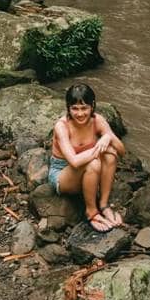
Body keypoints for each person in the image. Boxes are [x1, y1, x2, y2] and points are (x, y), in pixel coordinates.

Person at [48, 81, 125, 232]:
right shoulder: (61, 126)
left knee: (110, 153)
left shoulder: (97, 120)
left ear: (92, 106)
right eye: (74, 108)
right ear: (68, 108)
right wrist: (100, 147)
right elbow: (75, 162)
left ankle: (103, 204)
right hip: (62, 173)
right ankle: (91, 211)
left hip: (85, 171)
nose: (80, 113)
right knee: (95, 162)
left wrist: (108, 136)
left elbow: (121, 151)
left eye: (84, 108)